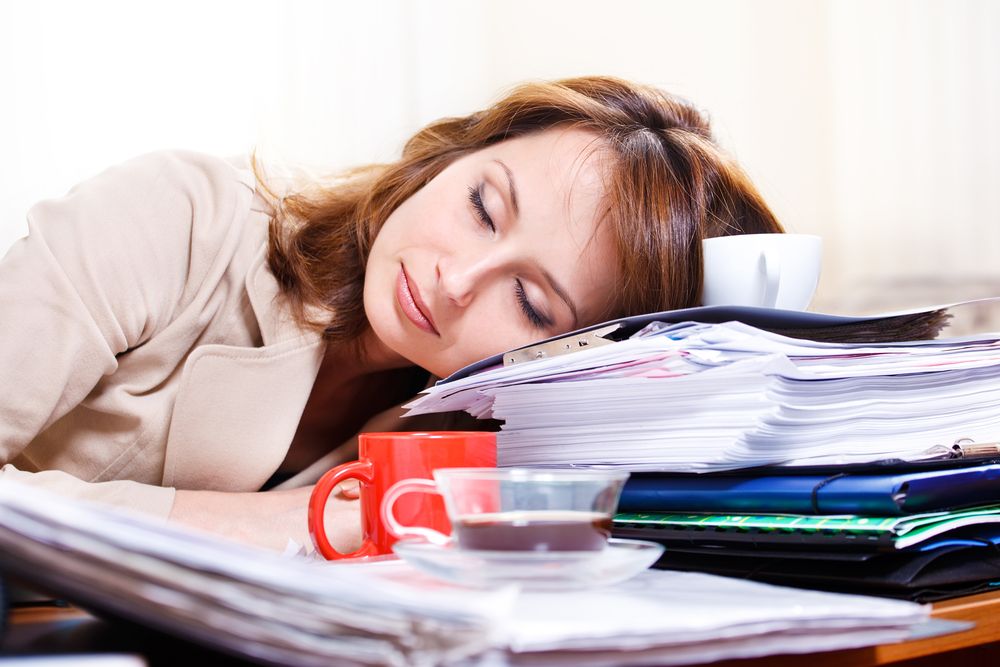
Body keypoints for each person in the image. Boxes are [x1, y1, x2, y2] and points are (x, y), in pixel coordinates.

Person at [0, 76, 783, 552]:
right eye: (483, 205)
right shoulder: (181, 216)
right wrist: (256, 522)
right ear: (452, 154)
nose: (457, 280)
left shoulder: (466, 427)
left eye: (529, 299)